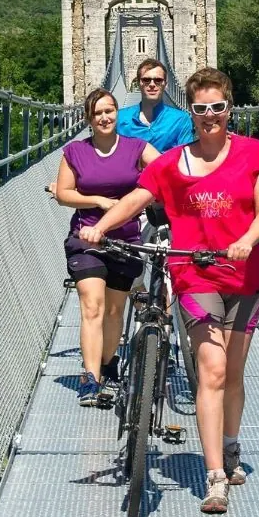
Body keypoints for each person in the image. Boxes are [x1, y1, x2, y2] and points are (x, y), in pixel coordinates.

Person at [81, 67, 259, 515]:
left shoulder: (251, 152)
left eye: (218, 107)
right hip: (195, 273)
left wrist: (247, 238)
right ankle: (215, 478)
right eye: (201, 108)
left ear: (230, 108)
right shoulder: (173, 162)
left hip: (243, 275)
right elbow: (138, 198)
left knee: (234, 375)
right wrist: (101, 226)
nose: (210, 116)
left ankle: (230, 445)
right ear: (192, 111)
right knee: (211, 370)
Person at [54, 87, 158, 406]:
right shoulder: (75, 152)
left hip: (125, 240)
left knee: (115, 311)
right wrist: (96, 200)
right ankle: (90, 377)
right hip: (86, 237)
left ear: (117, 113)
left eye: (110, 110)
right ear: (88, 118)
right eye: (98, 112)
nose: (104, 116)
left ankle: (109, 365)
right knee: (93, 306)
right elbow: (62, 193)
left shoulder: (137, 147)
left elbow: (168, 171)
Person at [117, 58, 194, 152]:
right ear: (139, 83)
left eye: (158, 80)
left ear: (165, 84)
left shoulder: (181, 120)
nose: (152, 84)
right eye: (146, 80)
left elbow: (185, 159)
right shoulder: (119, 118)